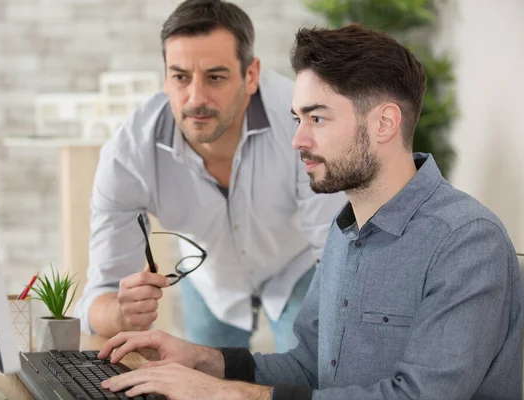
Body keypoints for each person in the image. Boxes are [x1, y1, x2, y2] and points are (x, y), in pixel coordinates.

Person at [94, 24, 524, 400]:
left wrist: (227, 393)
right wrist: (202, 360)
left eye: (316, 119)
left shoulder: (467, 241)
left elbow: (418, 396)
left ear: (384, 123)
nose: (297, 139)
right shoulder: (346, 232)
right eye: (297, 118)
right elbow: (309, 367)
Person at [73, 0, 346, 352]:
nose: (196, 98)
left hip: (297, 269)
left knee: (307, 372)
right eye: (180, 77)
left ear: (251, 75)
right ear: (165, 77)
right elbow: (100, 295)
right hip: (210, 280)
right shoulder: (128, 156)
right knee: (210, 386)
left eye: (215, 77)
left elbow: (337, 253)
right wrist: (123, 314)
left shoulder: (303, 123)